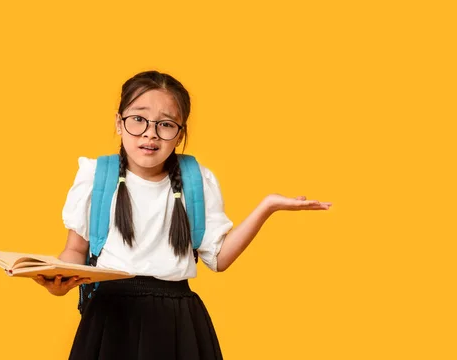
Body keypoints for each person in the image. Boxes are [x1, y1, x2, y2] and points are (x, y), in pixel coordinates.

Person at [34, 70, 332, 359]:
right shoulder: (95, 176)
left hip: (178, 323)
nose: (150, 133)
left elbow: (219, 258)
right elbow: (75, 250)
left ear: (180, 134)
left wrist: (266, 207)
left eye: (165, 124)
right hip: (110, 320)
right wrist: (59, 279)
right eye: (138, 119)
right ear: (118, 122)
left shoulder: (196, 180)